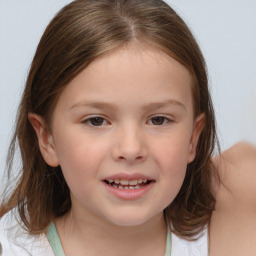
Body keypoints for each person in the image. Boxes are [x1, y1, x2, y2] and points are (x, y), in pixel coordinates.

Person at [0, 0, 255, 255]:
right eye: (96, 120)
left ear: (193, 137)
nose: (131, 149)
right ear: (47, 139)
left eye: (158, 120)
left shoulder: (230, 222)